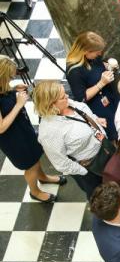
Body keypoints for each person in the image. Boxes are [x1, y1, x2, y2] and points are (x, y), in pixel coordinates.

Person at [0, 57, 64, 203]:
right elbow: (1, 127)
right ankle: (35, 192)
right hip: (12, 139)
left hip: (22, 129)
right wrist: (18, 104)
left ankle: (43, 177)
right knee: (30, 165)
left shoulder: (2, 86)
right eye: (9, 76)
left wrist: (12, 90)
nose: (12, 77)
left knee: (35, 156)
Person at [33, 80, 109, 198]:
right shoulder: (49, 132)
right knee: (101, 198)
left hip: (104, 150)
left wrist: (95, 120)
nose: (68, 96)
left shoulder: (67, 103)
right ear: (51, 104)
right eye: (63, 97)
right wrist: (85, 172)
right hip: (91, 167)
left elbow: (82, 114)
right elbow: (61, 163)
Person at [66, 31, 120, 141]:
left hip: (111, 96)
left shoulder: (93, 58)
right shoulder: (74, 71)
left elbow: (98, 66)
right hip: (98, 106)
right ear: (86, 51)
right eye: (97, 52)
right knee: (114, 133)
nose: (99, 54)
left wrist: (107, 66)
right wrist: (101, 83)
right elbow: (81, 97)